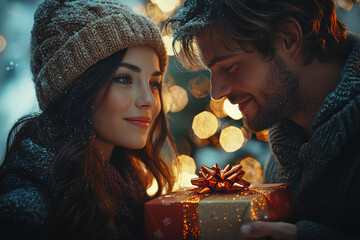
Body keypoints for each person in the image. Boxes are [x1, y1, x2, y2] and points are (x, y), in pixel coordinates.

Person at [167, 0, 360, 239]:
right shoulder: (282, 154)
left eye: (230, 66)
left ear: (288, 39)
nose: (216, 92)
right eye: (211, 71)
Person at [0, 0, 178, 239]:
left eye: (154, 83)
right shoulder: (25, 211)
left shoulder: (130, 190)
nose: (150, 100)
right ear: (76, 89)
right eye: (124, 79)